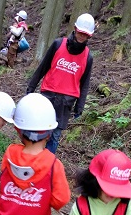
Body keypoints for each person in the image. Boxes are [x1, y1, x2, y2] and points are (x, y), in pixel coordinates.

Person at [26, 13, 95, 154]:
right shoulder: (58, 44)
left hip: (66, 101)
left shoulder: (88, 56)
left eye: (85, 35)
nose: (82, 36)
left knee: (55, 136)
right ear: (75, 29)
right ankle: (31, 156)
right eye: (80, 33)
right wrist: (31, 86)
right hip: (48, 95)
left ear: (89, 36)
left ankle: (46, 165)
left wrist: (79, 107)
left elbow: (85, 83)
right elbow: (43, 67)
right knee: (39, 129)